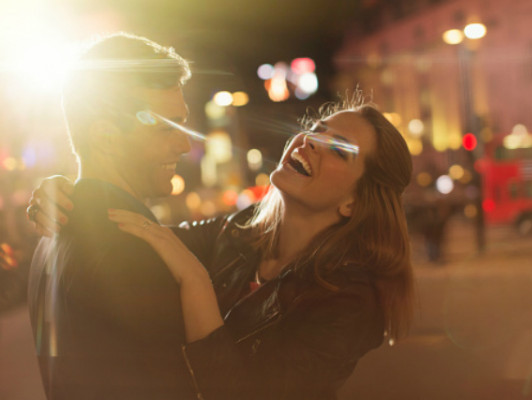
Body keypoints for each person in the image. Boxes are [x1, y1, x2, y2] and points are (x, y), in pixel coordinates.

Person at [30, 92, 415, 398]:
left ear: (354, 203)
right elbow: (140, 234)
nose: (311, 142)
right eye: (316, 129)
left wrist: (196, 281)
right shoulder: (234, 231)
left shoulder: (351, 300)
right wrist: (71, 194)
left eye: (339, 150)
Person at [26, 32, 197, 399]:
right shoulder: (134, 250)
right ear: (105, 137)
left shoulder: (50, 239)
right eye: (166, 127)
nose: (185, 145)